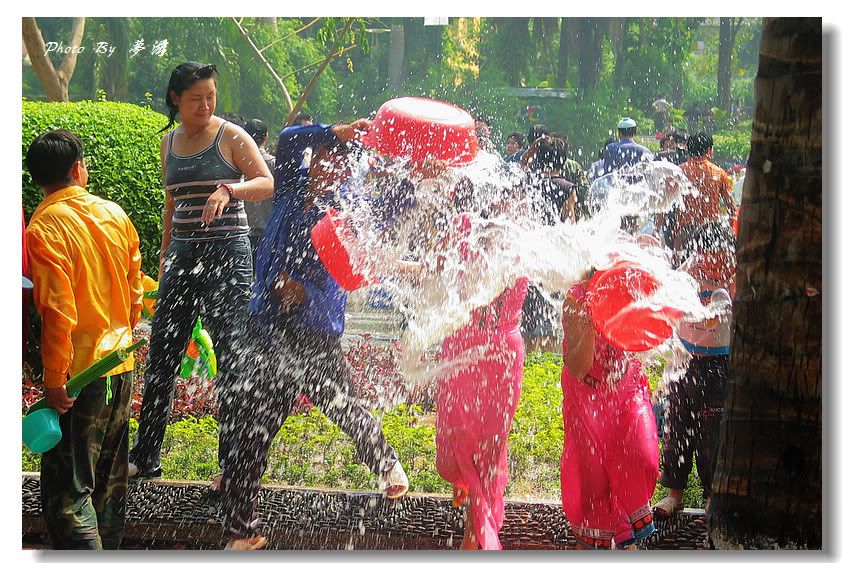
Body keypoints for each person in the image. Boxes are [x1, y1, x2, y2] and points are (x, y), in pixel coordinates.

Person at [221, 120, 408, 550]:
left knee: (340, 404)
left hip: (313, 331)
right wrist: (334, 132)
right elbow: (287, 139)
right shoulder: (290, 186)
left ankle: (385, 463)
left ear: (347, 171)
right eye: (324, 156)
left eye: (337, 161)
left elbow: (344, 274)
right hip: (267, 324)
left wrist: (304, 293)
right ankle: (241, 530)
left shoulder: (346, 210)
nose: (328, 166)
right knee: (253, 424)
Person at [128, 62, 274, 490]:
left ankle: (232, 465)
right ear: (176, 98)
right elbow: (172, 204)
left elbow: (266, 181)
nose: (206, 105)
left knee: (232, 358)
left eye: (211, 96)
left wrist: (230, 190)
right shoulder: (169, 143)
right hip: (182, 256)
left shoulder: (229, 135)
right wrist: (164, 258)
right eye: (197, 98)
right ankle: (146, 456)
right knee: (161, 356)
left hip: (227, 255)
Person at [25, 129, 143, 549]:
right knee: (109, 489)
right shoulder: (115, 214)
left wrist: (54, 378)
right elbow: (134, 294)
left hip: (79, 375)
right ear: (78, 169)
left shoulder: (43, 226)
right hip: (121, 365)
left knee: (68, 497)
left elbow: (58, 310)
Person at [559, 267, 660, 550]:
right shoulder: (576, 300)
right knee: (594, 485)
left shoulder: (628, 288)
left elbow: (647, 333)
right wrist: (590, 326)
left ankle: (627, 536)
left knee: (641, 458)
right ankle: (594, 544)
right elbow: (577, 367)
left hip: (623, 387)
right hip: (586, 395)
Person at [654, 222, 736, 518]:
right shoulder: (689, 273)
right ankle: (674, 492)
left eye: (722, 258)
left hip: (716, 364)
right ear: (699, 253)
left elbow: (713, 320)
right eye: (708, 257)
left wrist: (692, 306)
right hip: (684, 360)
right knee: (676, 426)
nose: (714, 265)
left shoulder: (729, 284)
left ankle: (711, 493)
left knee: (710, 433)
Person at [520, 137, 576, 354]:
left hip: (529, 251)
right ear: (562, 160)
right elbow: (569, 224)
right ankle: (546, 355)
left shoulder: (529, 182)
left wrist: (530, 151)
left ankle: (528, 356)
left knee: (528, 308)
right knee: (549, 311)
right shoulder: (567, 187)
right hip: (553, 254)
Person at [667, 132, 736, 263]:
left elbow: (664, 205)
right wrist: (730, 233)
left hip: (684, 234)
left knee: (679, 274)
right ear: (709, 150)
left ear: (688, 149)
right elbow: (731, 208)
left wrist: (658, 229)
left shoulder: (678, 172)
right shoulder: (719, 173)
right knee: (710, 274)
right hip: (711, 235)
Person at [243, 118, 277, 268]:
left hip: (243, 232)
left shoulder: (238, 162)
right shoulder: (274, 163)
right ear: (266, 137)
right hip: (268, 232)